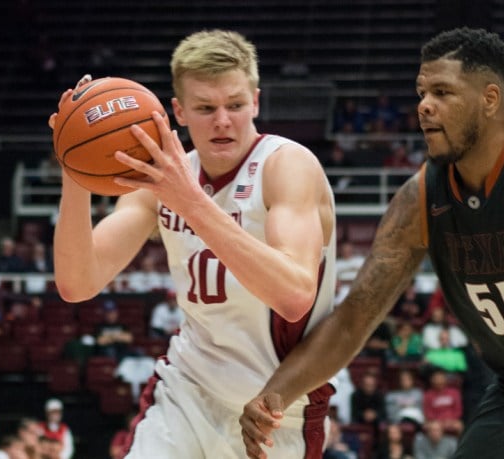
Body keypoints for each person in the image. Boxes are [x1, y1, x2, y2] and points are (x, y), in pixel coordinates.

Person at [240, 27, 504, 459]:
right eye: (422, 91)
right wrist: (275, 393)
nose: (424, 105)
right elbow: (353, 319)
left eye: (443, 92)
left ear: (490, 99)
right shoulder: (419, 201)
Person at [48, 28, 336, 459]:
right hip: (187, 390)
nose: (223, 120)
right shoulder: (162, 177)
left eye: (235, 105)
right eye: (205, 108)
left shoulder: (286, 165)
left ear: (255, 102)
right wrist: (75, 171)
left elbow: (294, 296)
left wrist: (192, 202)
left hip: (275, 409)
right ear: (178, 112)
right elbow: (77, 282)